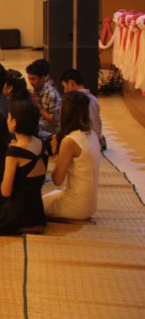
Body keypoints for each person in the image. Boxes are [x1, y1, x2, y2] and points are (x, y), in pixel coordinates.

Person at [0, 99, 47, 235]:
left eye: (9, 117)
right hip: (37, 212)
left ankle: (21, 227)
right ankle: (32, 225)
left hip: (17, 213)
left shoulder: (14, 152)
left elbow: (6, 192)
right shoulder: (41, 143)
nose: (7, 120)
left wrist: (10, 156)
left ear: (15, 122)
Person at [43, 91, 101, 221]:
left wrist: (56, 152)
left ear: (67, 112)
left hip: (76, 206)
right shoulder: (92, 134)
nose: (59, 109)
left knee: (35, 206)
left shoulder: (70, 141)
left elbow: (57, 180)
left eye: (61, 107)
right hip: (91, 205)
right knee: (49, 197)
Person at [59, 69, 102, 143]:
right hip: (95, 139)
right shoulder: (93, 98)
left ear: (71, 83)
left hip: (85, 141)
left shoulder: (75, 102)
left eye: (64, 86)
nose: (64, 91)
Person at [26, 59, 60, 138]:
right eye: (29, 79)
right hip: (38, 125)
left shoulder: (51, 94)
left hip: (50, 130)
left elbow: (55, 122)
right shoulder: (31, 90)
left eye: (33, 79)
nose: (30, 82)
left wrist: (38, 105)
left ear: (42, 78)